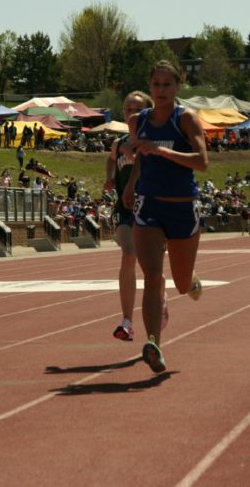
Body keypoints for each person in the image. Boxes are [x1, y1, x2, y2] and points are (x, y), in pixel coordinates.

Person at [122, 60, 209, 373]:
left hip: (183, 207)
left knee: (182, 284)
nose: (160, 90)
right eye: (156, 84)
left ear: (177, 87)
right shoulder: (138, 121)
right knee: (153, 276)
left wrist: (162, 151)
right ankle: (154, 344)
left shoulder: (185, 119)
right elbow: (140, 160)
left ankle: (192, 280)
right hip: (150, 206)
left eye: (166, 85)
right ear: (149, 86)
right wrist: (131, 185)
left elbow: (201, 162)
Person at [104, 91, 153, 342]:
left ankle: (160, 298)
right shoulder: (118, 142)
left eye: (137, 109)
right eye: (127, 109)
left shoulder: (153, 141)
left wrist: (130, 152)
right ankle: (127, 321)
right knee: (128, 254)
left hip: (152, 209)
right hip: (125, 209)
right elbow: (111, 159)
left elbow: (145, 166)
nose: (131, 114)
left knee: (150, 265)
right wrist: (110, 178)